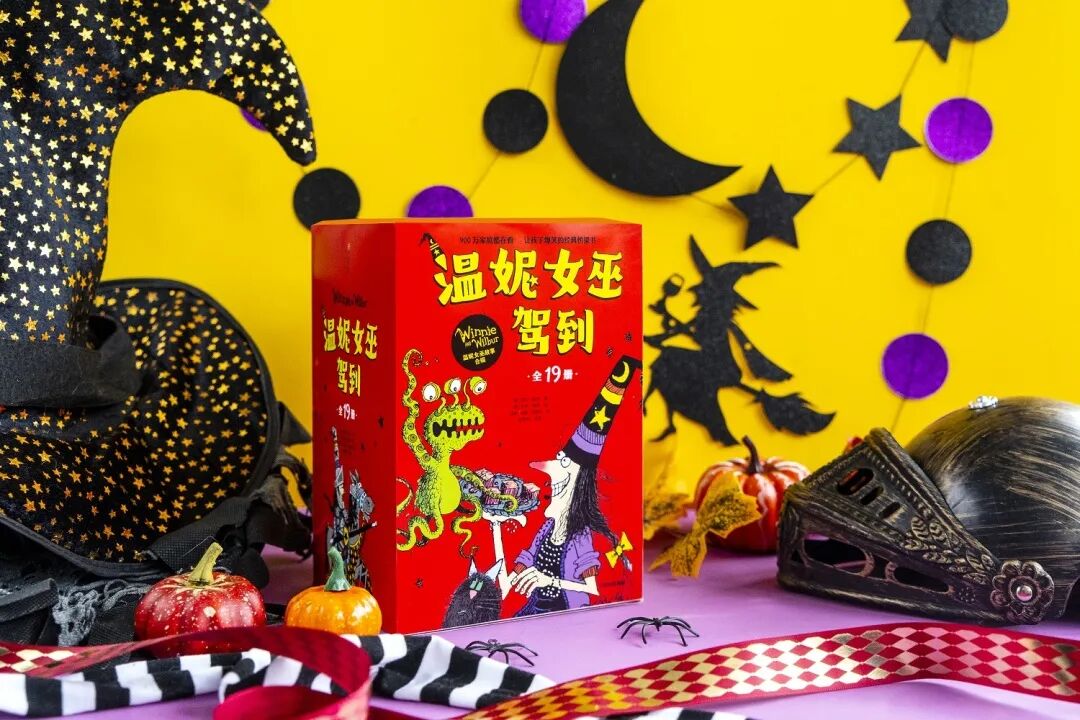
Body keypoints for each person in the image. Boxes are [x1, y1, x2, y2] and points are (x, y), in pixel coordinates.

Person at [486, 357, 638, 616]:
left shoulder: (579, 536)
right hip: (534, 613)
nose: (548, 471)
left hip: (567, 614)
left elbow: (593, 589)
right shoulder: (547, 529)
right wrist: (496, 527)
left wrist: (550, 581)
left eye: (562, 462)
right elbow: (509, 583)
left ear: (577, 481)